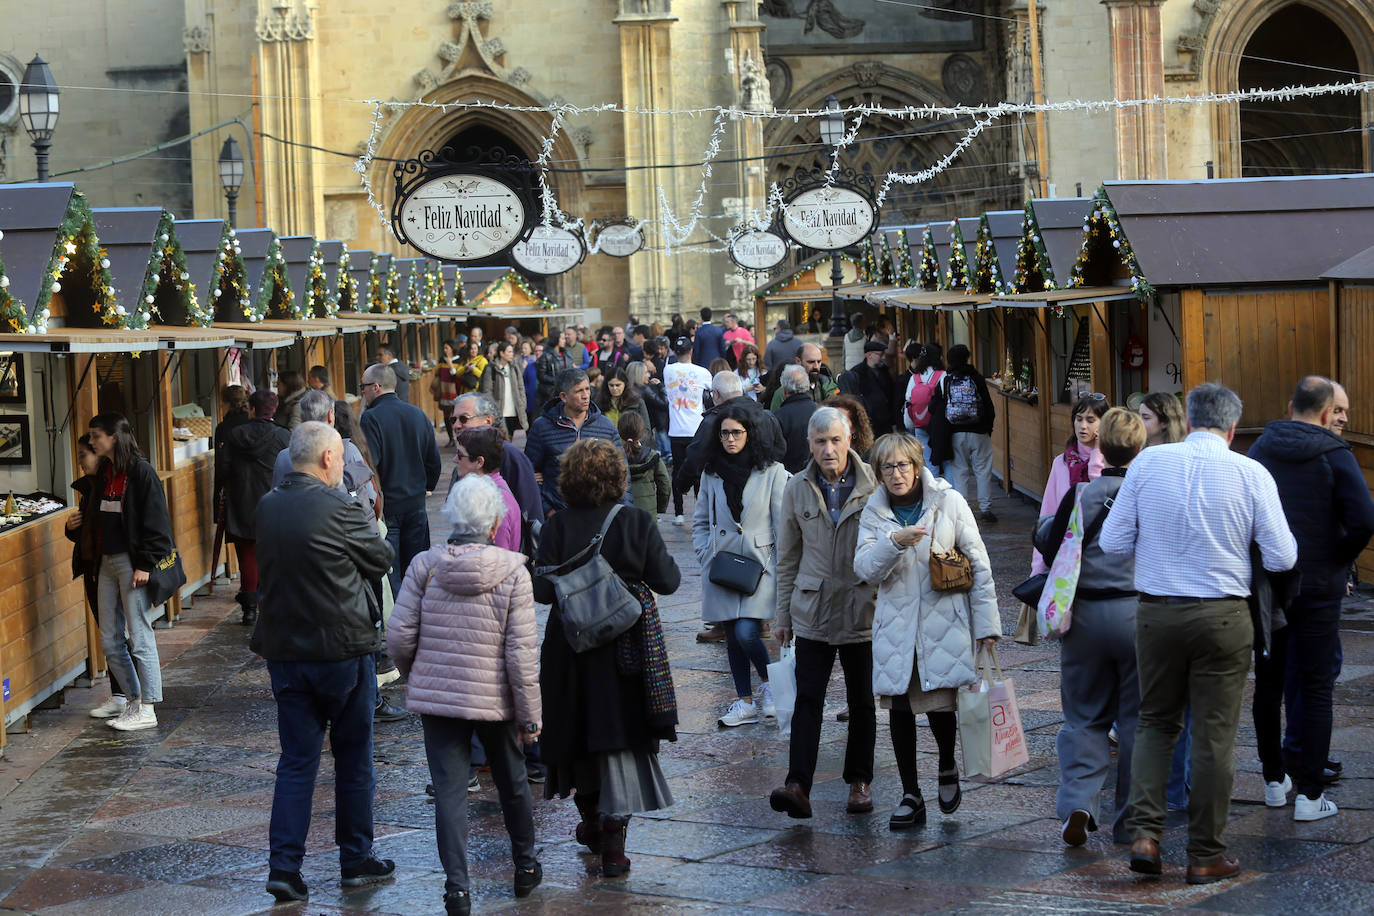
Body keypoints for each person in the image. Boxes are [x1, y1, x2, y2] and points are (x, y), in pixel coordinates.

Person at [1101, 382, 1297, 885]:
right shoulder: (1251, 472)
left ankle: (1146, 833)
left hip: (1157, 613)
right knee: (1213, 737)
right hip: (1224, 616)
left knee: (1154, 723)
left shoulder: (1147, 464)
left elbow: (1114, 540)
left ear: (1187, 419)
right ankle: (1206, 853)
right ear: (1233, 428)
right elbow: (1282, 557)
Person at [388, 474, 542, 915]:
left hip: (439, 699)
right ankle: (525, 866)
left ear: (452, 517)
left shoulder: (424, 566)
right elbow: (521, 654)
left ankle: (457, 889)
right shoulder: (514, 572)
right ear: (495, 524)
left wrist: (417, 674)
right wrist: (530, 718)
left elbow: (399, 637)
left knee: (450, 791)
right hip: (495, 699)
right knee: (513, 782)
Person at [256, 422, 397, 903]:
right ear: (327, 459)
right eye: (339, 456)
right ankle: (355, 859)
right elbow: (381, 559)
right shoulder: (338, 507)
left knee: (296, 761)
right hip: (341, 649)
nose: (342, 463)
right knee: (354, 757)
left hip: (285, 652)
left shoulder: (268, 506)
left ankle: (284, 867)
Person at [534, 439, 681, 878]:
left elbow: (542, 591)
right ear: (618, 476)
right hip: (627, 652)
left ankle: (593, 823)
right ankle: (615, 846)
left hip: (570, 648)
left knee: (576, 737)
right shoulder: (635, 521)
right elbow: (669, 581)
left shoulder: (557, 526)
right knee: (621, 739)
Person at [855, 432, 998, 830]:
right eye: (887, 467)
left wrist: (986, 627)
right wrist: (893, 542)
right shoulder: (875, 511)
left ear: (917, 466)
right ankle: (909, 793)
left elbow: (979, 564)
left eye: (903, 465)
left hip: (942, 622)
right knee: (900, 709)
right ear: (879, 472)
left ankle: (948, 765)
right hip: (896, 625)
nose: (896, 474)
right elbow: (865, 569)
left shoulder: (948, 502)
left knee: (939, 705)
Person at [1248, 376, 1374, 821]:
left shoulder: (1260, 449)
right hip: (1319, 590)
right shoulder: (1335, 455)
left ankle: (1273, 782)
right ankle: (1311, 795)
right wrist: (1334, 561)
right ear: (1324, 414)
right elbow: (1364, 519)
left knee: (1268, 684)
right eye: (1338, 413)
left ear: (1290, 405)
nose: (1341, 420)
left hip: (1270, 588)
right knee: (1317, 688)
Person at [1033, 408, 1145, 846]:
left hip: (1084, 616)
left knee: (1083, 717)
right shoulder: (1147, 494)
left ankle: (1079, 801)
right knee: (1137, 720)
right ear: (1140, 448)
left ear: (1100, 443)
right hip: (1137, 614)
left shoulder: (1080, 493)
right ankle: (1133, 820)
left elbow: (1047, 540)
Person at [769, 407, 879, 819]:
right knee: (807, 699)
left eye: (835, 440)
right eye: (820, 442)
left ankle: (859, 781)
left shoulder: (874, 483)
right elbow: (787, 558)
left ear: (850, 439)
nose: (828, 449)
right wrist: (783, 616)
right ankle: (798, 783)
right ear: (810, 444)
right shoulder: (797, 488)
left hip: (861, 606)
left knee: (862, 701)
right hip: (812, 607)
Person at [693, 400, 789, 727]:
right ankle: (744, 701)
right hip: (722, 566)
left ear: (750, 433)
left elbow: (783, 524)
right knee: (733, 635)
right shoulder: (711, 472)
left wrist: (775, 561)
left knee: (748, 632)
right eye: (724, 434)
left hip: (760, 566)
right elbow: (701, 519)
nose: (730, 439)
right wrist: (705, 550)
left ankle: (771, 687)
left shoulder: (773, 472)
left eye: (736, 432)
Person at [85, 412, 176, 732]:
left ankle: (148, 706)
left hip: (131, 563)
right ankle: (132, 700)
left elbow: (158, 523)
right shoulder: (107, 470)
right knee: (109, 639)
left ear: (114, 437)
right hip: (106, 563)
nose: (91, 441)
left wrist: (145, 565)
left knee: (139, 635)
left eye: (96, 435)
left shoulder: (141, 472)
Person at [1135, 390, 1191, 810]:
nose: (1140, 424)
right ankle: (1182, 790)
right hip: (1197, 598)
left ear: (1165, 422)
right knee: (1193, 709)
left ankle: (1167, 795)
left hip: (1157, 597)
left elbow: (1120, 539)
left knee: (1161, 709)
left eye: (1146, 417)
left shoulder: (1147, 465)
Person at [359, 363, 442, 597]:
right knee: (417, 568)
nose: (362, 392)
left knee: (392, 571)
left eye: (363, 387)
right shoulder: (417, 414)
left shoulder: (371, 418)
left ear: (375, 387)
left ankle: (399, 624)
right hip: (416, 504)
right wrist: (426, 487)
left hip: (390, 506)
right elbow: (433, 461)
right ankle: (418, 617)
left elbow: (371, 466)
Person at [67, 434, 132, 719]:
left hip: (113, 567)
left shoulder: (111, 486)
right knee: (112, 633)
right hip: (95, 568)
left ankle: (131, 695)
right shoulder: (90, 489)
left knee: (121, 634)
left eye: (84, 454)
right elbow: (87, 533)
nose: (80, 462)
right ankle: (123, 694)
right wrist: (71, 528)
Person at [218, 389, 292, 626]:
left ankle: (249, 609)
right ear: (274, 409)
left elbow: (223, 469)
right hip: (276, 501)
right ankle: (273, 603)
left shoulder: (234, 434)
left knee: (247, 557)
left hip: (242, 501)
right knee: (275, 556)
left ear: (251, 408)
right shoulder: (284, 437)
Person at [525, 368, 624, 516]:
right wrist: (548, 510)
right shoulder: (542, 427)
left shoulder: (606, 426)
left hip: (599, 514)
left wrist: (619, 513)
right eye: (579, 391)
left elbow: (622, 472)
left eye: (587, 389)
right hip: (558, 514)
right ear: (564, 397)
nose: (585, 396)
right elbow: (529, 475)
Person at [1031, 394, 1110, 574]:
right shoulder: (1062, 462)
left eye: (1091, 420)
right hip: (1065, 557)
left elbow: (1100, 494)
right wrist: (1037, 569)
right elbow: (1048, 515)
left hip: (1099, 558)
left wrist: (1097, 454)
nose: (1083, 426)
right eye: (1079, 419)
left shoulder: (1111, 461)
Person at [449, 393, 543, 524]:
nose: (456, 426)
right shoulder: (463, 457)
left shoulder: (511, 455)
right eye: (454, 420)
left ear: (488, 421)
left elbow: (531, 513)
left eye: (464, 419)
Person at [931, 344, 997, 523]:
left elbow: (934, 406)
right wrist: (988, 428)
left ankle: (962, 510)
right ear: (968, 357)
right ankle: (985, 508)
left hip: (955, 433)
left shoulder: (945, 378)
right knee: (983, 470)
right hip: (979, 432)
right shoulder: (976, 377)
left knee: (960, 472)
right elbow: (988, 405)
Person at [664, 336, 713, 524]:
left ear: (675, 352)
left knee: (678, 471)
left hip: (676, 430)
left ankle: (678, 513)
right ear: (691, 351)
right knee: (698, 472)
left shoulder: (668, 370)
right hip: (696, 429)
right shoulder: (702, 372)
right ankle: (700, 513)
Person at [453, 426, 522, 553]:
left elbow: (498, 561)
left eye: (460, 455)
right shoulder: (492, 490)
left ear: (479, 461)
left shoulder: (492, 501)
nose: (455, 460)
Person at [902, 343, 944, 472]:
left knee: (927, 458)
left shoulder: (914, 378)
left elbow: (908, 398)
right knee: (945, 458)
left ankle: (932, 487)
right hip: (939, 423)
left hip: (920, 422)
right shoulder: (942, 375)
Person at [619, 412, 669, 516]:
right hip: (648, 512)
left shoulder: (614, 458)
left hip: (622, 512)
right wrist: (659, 507)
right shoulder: (652, 456)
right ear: (642, 432)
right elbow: (665, 484)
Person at [478, 340, 528, 437]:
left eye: (512, 352)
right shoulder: (491, 368)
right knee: (500, 439)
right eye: (509, 352)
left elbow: (521, 387)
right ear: (501, 353)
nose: (512, 354)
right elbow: (486, 391)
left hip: (514, 409)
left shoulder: (514, 367)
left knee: (510, 438)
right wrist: (493, 407)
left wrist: (522, 403)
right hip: (499, 410)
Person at [774, 365, 818, 474]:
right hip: (818, 474)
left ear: (784, 391)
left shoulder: (778, 417)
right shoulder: (821, 411)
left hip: (789, 477)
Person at [767, 343, 837, 410]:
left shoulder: (828, 385)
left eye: (819, 362)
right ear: (798, 361)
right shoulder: (784, 391)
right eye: (811, 362)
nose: (816, 366)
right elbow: (777, 418)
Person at [625, 361, 670, 461]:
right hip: (643, 431)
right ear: (639, 374)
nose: (649, 375)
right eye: (646, 372)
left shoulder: (627, 390)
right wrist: (660, 386)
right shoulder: (645, 390)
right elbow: (664, 403)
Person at [536, 327, 586, 404]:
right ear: (556, 339)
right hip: (551, 391)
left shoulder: (567, 354)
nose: (564, 341)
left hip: (567, 389)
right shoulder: (546, 355)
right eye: (562, 339)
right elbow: (541, 376)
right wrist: (556, 380)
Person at [825, 394, 875, 459]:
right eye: (832, 419)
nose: (836, 424)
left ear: (854, 426)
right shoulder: (821, 450)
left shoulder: (870, 456)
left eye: (842, 420)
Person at [434, 339, 462, 446]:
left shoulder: (459, 360)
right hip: (444, 391)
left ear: (452, 348)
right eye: (444, 348)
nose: (445, 350)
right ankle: (451, 438)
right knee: (446, 415)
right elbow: (438, 373)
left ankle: (459, 437)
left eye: (447, 348)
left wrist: (450, 364)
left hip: (454, 391)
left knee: (456, 415)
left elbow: (457, 375)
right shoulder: (442, 360)